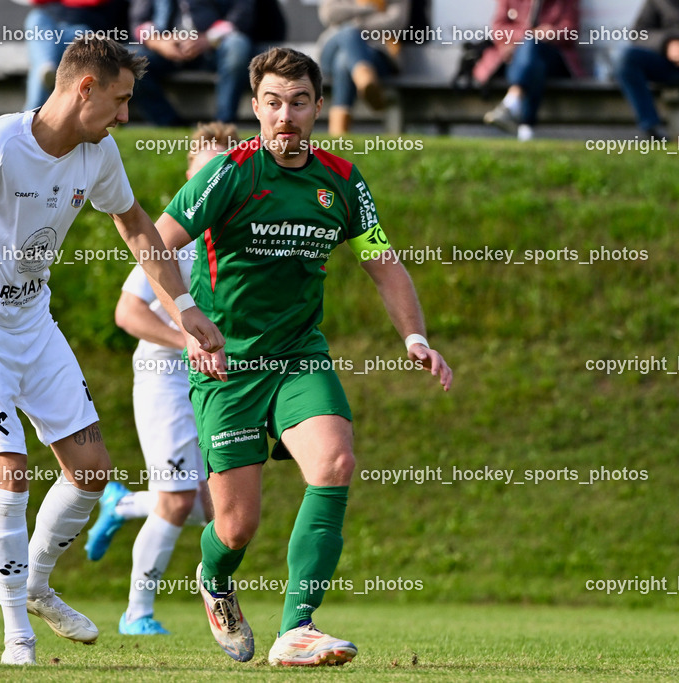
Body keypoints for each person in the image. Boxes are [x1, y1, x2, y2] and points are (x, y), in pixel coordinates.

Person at [0, 38, 223, 666]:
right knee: (10, 470)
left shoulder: (98, 152)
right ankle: (17, 631)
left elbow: (136, 227)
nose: (125, 115)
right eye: (121, 100)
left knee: (93, 473)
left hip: (32, 323)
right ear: (85, 89)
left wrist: (184, 307)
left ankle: (37, 582)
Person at [153, 46, 452, 666]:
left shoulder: (342, 181)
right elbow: (154, 242)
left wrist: (415, 339)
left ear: (319, 107)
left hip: (298, 357)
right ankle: (213, 577)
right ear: (255, 107)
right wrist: (188, 320)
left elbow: (382, 262)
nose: (284, 116)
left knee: (336, 462)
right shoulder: (228, 173)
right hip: (228, 366)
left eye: (298, 102)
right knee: (234, 529)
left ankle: (297, 628)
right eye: (271, 103)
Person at [85, 122, 241, 637]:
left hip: (214, 383)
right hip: (165, 380)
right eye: (205, 171)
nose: (216, 179)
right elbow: (127, 312)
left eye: (226, 169)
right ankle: (137, 613)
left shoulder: (240, 236)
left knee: (216, 507)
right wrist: (189, 342)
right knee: (177, 500)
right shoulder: (172, 237)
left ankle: (122, 502)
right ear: (190, 178)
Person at [128, 0, 256, 125]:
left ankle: (223, 123)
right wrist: (158, 42)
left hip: (215, 47)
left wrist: (209, 39)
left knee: (237, 46)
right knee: (129, 59)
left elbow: (241, 14)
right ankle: (168, 123)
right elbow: (139, 21)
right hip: (165, 48)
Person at [476, 0, 581, 142]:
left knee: (533, 50)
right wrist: (528, 35)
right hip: (514, 57)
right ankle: (526, 126)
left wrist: (552, 33)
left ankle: (511, 103)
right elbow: (498, 28)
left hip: (552, 57)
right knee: (533, 60)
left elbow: (571, 30)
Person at [316, 0, 409, 136]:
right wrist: (367, 10)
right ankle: (366, 80)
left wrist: (354, 25)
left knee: (343, 61)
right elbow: (329, 13)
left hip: (377, 51)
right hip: (334, 45)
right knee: (348, 34)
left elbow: (396, 22)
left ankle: (338, 134)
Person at [22, 0, 128, 111]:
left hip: (86, 33)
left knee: (43, 63)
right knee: (36, 18)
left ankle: (29, 115)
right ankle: (47, 66)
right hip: (52, 29)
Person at [612, 0, 679, 141]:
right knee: (628, 59)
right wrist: (667, 44)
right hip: (670, 65)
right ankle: (652, 127)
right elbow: (638, 34)